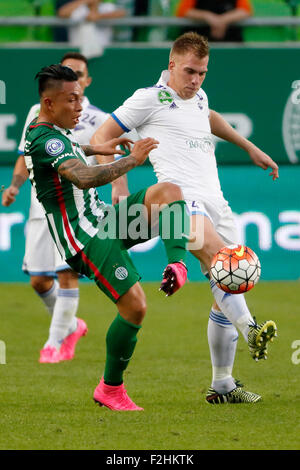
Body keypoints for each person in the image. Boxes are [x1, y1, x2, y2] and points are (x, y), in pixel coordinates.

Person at [90, 31, 279, 404]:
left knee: (226, 284)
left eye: (203, 74)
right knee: (223, 264)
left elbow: (207, 117)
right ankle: (252, 329)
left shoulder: (198, 97)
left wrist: (250, 147)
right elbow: (103, 135)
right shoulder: (148, 99)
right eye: (190, 71)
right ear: (171, 65)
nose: (195, 80)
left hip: (216, 202)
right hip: (181, 203)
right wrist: (117, 180)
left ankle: (223, 385)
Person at [23, 63, 190, 411]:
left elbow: (68, 155)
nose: (80, 107)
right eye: (72, 100)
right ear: (49, 102)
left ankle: (178, 264)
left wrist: (97, 148)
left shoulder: (51, 129)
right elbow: (82, 178)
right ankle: (110, 389)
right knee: (135, 307)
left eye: (81, 98)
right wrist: (131, 160)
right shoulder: (46, 138)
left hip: (104, 220)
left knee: (168, 192)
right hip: (84, 236)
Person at [1, 52, 108, 364]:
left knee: (66, 273)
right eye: (69, 71)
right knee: (38, 279)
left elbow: (103, 155)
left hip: (73, 205)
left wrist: (116, 182)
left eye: (79, 73)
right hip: (40, 201)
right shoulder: (39, 111)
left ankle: (54, 341)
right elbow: (26, 152)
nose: (74, 77)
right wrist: (15, 186)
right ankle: (72, 326)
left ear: (87, 80)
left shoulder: (99, 118)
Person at [57, 0, 126, 57]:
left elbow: (121, 13)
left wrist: (99, 16)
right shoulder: (78, 9)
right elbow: (62, 12)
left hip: (104, 53)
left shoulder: (107, 7)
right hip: (77, 53)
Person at [176, 0, 252, 42]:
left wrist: (222, 21)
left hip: (230, 42)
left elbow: (245, 11)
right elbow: (183, 11)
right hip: (196, 44)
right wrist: (207, 16)